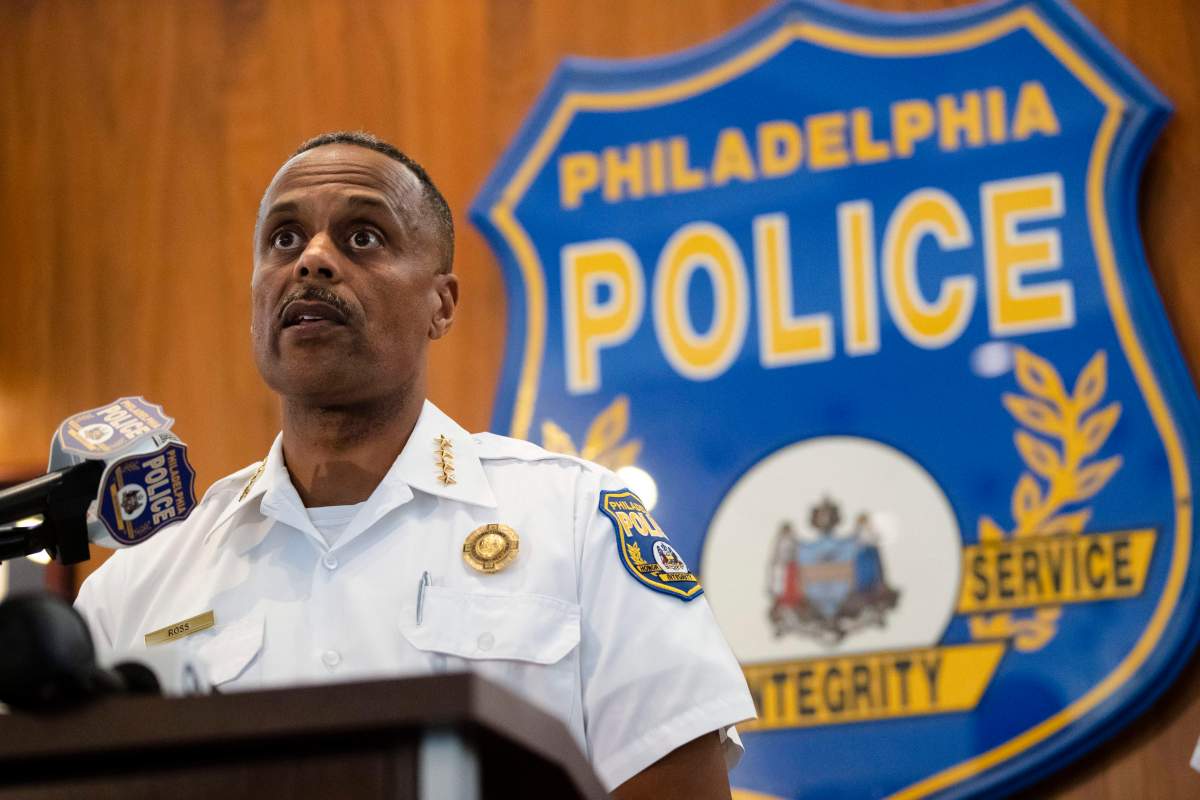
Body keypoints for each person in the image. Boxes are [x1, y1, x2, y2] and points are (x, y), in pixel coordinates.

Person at [73, 131, 756, 796]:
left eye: (362, 237)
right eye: (284, 239)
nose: (312, 260)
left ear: (441, 304)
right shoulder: (136, 588)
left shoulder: (579, 523)